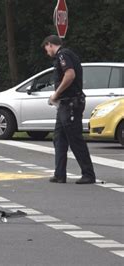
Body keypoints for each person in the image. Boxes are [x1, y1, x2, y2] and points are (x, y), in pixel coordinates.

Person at [42, 35, 96, 184]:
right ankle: (60, 174)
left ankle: (88, 174)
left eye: (47, 49)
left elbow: (70, 74)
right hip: (65, 104)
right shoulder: (67, 54)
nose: (47, 52)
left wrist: (56, 93)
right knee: (59, 138)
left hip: (71, 103)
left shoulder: (63, 55)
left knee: (75, 139)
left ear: (50, 45)